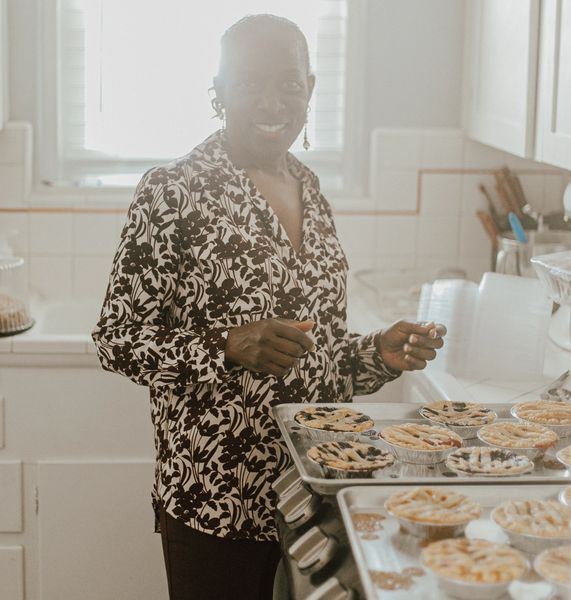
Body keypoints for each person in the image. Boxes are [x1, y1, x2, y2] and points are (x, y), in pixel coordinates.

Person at [92, 13, 446, 600]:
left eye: (288, 82)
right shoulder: (174, 191)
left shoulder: (312, 190)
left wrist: (378, 353)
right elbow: (116, 338)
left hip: (317, 489)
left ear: (310, 88)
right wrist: (226, 345)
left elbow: (318, 356)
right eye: (250, 82)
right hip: (218, 503)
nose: (271, 100)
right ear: (219, 92)